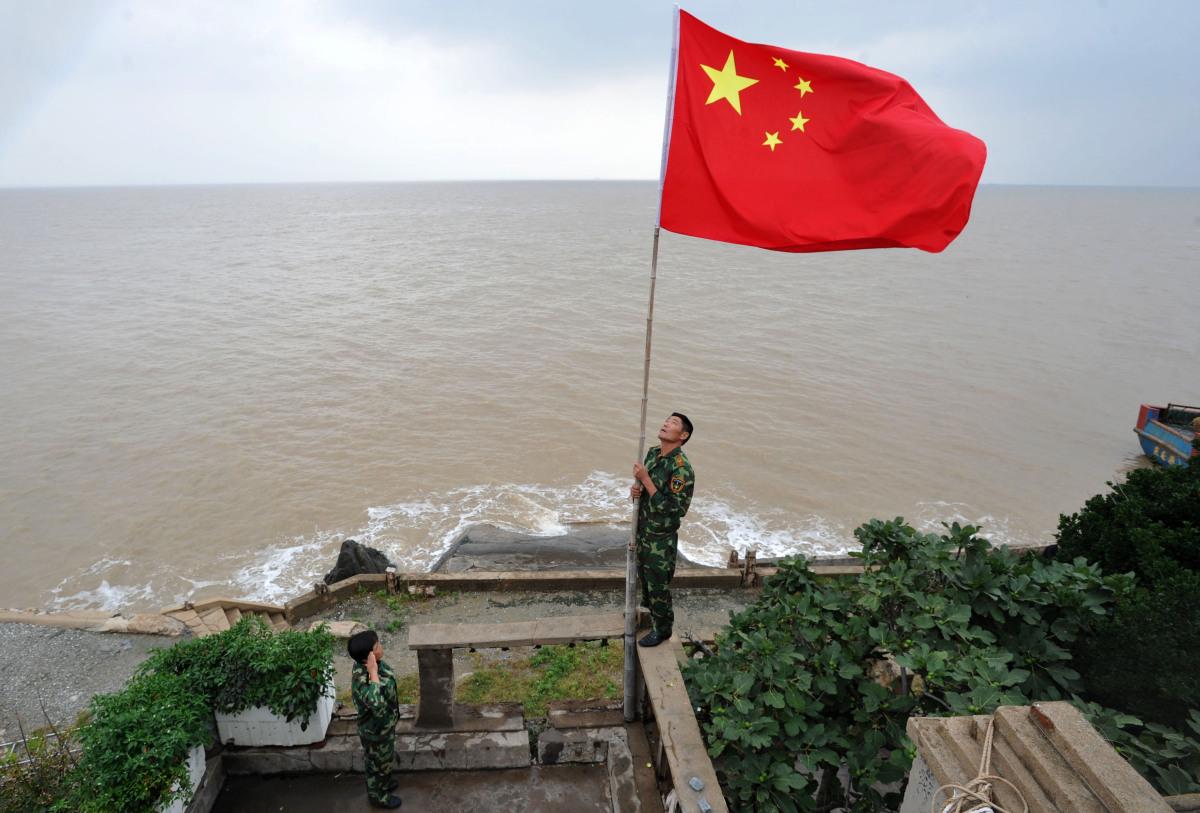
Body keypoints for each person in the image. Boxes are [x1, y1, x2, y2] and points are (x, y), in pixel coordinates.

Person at [630, 412, 695, 647]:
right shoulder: (653, 453)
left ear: (683, 435)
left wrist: (646, 480)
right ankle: (650, 617)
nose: (666, 423)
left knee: (659, 587)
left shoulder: (682, 469)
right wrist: (637, 491)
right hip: (644, 530)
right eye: (667, 420)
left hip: (661, 539)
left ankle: (663, 630)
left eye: (673, 423)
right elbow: (648, 491)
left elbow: (673, 509)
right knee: (644, 581)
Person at [348, 630, 402, 809]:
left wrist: (374, 669)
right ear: (367, 658)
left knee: (384, 762)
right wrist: (374, 674)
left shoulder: (373, 664)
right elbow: (376, 705)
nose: (381, 647)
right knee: (376, 765)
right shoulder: (362, 680)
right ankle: (379, 797)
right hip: (375, 733)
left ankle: (384, 782)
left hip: (384, 727)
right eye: (377, 646)